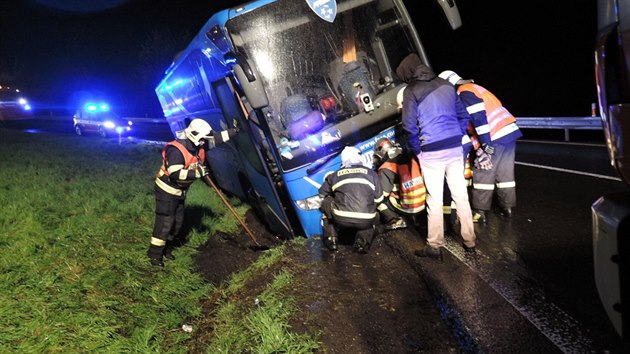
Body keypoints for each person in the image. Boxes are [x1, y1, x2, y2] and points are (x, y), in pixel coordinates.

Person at [396, 53, 477, 259]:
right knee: (461, 195)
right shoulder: (446, 84)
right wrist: (456, 135)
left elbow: (408, 126)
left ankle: (434, 245)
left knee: (435, 199)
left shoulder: (411, 91)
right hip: (454, 148)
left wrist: (418, 150)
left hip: (431, 151)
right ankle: (470, 242)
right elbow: (463, 115)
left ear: (407, 73)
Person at [147, 118, 238, 267]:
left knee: (177, 223)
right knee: (165, 222)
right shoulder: (176, 150)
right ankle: (155, 255)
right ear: (195, 136)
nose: (204, 142)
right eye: (202, 139)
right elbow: (175, 173)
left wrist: (235, 131)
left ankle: (167, 249)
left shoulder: (198, 144)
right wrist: (197, 173)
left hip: (180, 191)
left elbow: (217, 139)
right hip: (166, 191)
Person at [438, 70, 522, 223]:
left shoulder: (464, 93)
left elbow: (479, 121)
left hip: (494, 134)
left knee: (482, 169)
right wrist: (479, 147)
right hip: (508, 130)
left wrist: (485, 146)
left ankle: (480, 212)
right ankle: (507, 207)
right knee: (505, 173)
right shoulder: (475, 88)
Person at [318, 146, 383, 254]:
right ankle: (362, 243)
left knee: (326, 201)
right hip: (366, 219)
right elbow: (379, 198)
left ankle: (332, 240)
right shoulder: (371, 173)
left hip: (340, 218)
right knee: (374, 213)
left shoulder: (335, 175)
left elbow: (321, 194)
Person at [373, 137, 425, 230]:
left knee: (379, 201)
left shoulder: (386, 168)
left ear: (381, 153)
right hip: (424, 203)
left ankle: (395, 219)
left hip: (408, 207)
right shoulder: (411, 157)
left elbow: (382, 194)